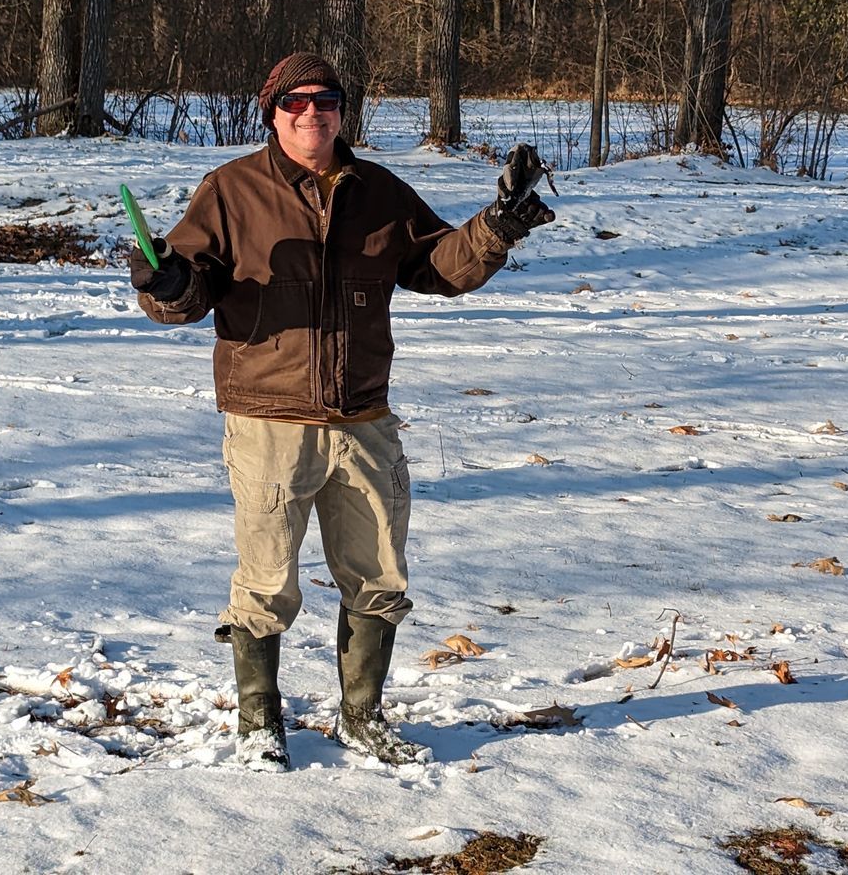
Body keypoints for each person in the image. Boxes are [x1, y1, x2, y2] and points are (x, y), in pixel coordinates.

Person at [128, 51, 555, 770]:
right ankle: (259, 722)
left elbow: (438, 266)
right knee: (265, 581)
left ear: (341, 112)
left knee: (379, 576)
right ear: (273, 111)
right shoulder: (231, 191)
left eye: (325, 101)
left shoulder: (379, 192)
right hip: (271, 424)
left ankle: (362, 716)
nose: (311, 113)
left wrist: (500, 226)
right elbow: (185, 290)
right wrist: (168, 282)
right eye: (295, 103)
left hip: (363, 419)